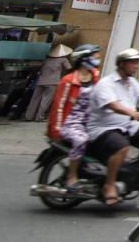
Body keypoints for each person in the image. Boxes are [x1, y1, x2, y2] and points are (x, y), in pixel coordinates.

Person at [85, 48, 139, 206]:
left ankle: (137, 174)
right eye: (133, 62)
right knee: (122, 147)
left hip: (127, 126)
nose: (136, 66)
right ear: (121, 64)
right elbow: (113, 105)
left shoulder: (131, 82)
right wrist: (132, 113)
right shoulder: (106, 84)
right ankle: (109, 184)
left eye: (137, 62)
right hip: (104, 128)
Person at [46, 44, 102, 188]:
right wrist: (56, 130)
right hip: (71, 122)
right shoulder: (68, 80)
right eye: (95, 56)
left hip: (90, 121)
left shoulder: (95, 76)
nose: (98, 58)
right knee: (80, 139)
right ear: (84, 59)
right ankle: (72, 175)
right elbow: (58, 106)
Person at [25, 43, 71, 121]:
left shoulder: (46, 60)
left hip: (41, 81)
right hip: (52, 83)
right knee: (46, 100)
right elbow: (69, 68)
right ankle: (39, 117)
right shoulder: (63, 59)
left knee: (35, 99)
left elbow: (41, 69)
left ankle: (28, 116)